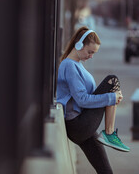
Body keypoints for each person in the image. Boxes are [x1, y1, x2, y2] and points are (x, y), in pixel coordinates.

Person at [56, 26, 130, 174]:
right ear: (78, 45)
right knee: (112, 80)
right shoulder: (69, 65)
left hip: (83, 127)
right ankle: (109, 134)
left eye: (94, 53)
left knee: (105, 170)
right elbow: (82, 99)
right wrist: (111, 97)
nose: (91, 56)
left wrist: (112, 99)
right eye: (90, 52)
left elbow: (91, 97)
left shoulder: (77, 65)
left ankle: (109, 134)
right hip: (78, 125)